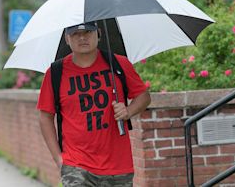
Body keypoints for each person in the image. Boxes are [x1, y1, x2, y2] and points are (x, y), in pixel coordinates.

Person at [37, 22, 151, 187]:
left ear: (98, 33)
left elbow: (144, 96)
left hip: (118, 166)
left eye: (88, 32)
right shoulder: (55, 72)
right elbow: (45, 117)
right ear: (67, 39)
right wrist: (58, 159)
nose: (82, 37)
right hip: (76, 165)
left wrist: (128, 111)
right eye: (75, 33)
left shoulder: (118, 64)